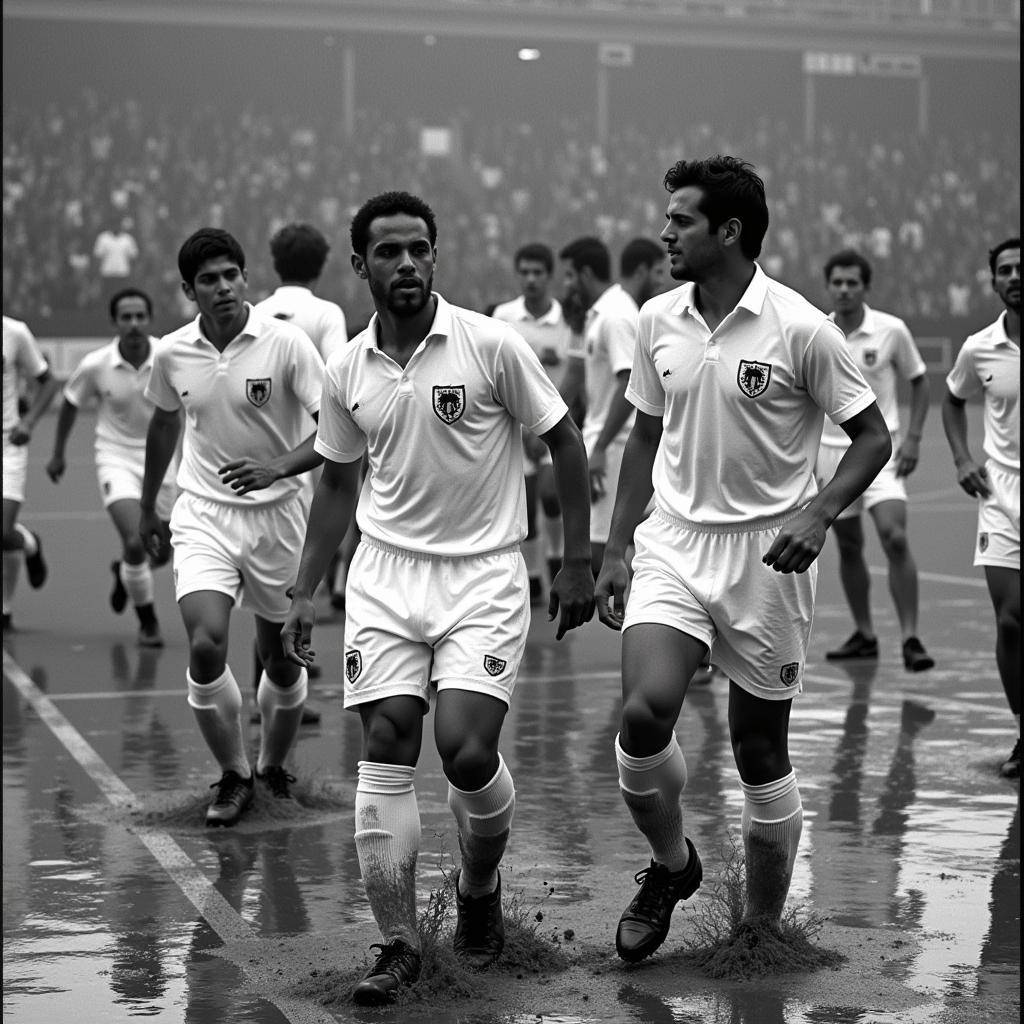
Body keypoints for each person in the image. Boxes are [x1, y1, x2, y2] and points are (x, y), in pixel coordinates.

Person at [280, 191, 594, 1005]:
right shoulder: (348, 366)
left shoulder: (491, 345)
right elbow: (339, 483)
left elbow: (562, 439)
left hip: (485, 575)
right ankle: (397, 945)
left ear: (436, 255)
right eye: (389, 252)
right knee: (386, 740)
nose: (408, 264)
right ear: (361, 266)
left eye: (420, 248)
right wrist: (307, 589)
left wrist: (575, 561)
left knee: (462, 751)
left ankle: (478, 890)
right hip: (385, 576)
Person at [594, 156, 891, 964]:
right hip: (675, 545)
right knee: (643, 716)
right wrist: (617, 547)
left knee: (759, 749)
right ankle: (670, 865)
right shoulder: (658, 318)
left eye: (680, 220)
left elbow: (874, 438)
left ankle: (760, 933)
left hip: (770, 559)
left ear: (728, 231)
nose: (664, 232)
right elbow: (644, 435)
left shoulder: (802, 328)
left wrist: (820, 510)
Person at [139, 227, 324, 827]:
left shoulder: (288, 343)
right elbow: (165, 425)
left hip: (280, 517)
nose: (222, 288)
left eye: (231, 275)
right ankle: (235, 774)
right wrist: (150, 507)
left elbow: (335, 433)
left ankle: (272, 767)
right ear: (188, 290)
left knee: (281, 659)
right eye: (209, 280)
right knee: (205, 644)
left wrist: (276, 467)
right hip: (203, 515)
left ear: (246, 278)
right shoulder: (171, 353)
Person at [815, 249, 935, 672]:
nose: (844, 290)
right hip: (830, 455)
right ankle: (864, 633)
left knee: (894, 536)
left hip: (881, 451)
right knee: (849, 546)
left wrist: (914, 437)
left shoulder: (891, 330)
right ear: (828, 286)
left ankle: (911, 638)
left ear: (866, 287)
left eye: (853, 282)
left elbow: (919, 380)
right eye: (838, 282)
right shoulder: (818, 330)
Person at [252, 222, 351, 707]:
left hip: (266, 447)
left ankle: (264, 682)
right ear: (321, 264)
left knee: (267, 589)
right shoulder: (326, 312)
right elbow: (337, 377)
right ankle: (294, 686)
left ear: (275, 263)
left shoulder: (259, 311)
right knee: (302, 566)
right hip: (313, 451)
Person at [46, 288, 177, 647]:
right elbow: (71, 402)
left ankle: (124, 573)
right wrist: (58, 453)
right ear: (114, 321)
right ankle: (148, 622)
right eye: (126, 317)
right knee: (136, 541)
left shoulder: (170, 356)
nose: (134, 324)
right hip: (115, 459)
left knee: (161, 553)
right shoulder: (95, 364)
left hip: (164, 464)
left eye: (140, 317)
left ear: (148, 319)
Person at [941, 237, 1020, 779]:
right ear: (993, 282)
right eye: (1006, 270)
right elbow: (951, 399)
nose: (1016, 276)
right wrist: (963, 457)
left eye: (1023, 268)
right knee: (1012, 622)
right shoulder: (979, 347)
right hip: (1001, 494)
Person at [492, 242, 572, 598]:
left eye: (538, 273)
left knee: (551, 495)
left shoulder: (567, 321)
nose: (531, 279)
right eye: (524, 272)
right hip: (514, 427)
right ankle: (536, 576)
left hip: (554, 425)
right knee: (524, 503)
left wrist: (546, 427)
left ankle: (556, 559)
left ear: (549, 276)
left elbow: (575, 378)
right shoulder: (502, 317)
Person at [558, 236, 642, 576]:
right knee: (611, 546)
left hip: (617, 444)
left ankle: (649, 613)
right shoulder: (599, 314)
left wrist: (602, 447)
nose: (566, 284)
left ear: (586, 273)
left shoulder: (616, 316)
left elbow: (629, 382)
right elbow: (578, 374)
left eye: (569, 275)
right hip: (606, 439)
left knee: (604, 551)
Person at [3, 315, 61, 631]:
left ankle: (27, 542)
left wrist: (28, 423)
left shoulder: (14, 333)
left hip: (7, 443)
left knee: (1, 529)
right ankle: (6, 609)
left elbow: (49, 382)